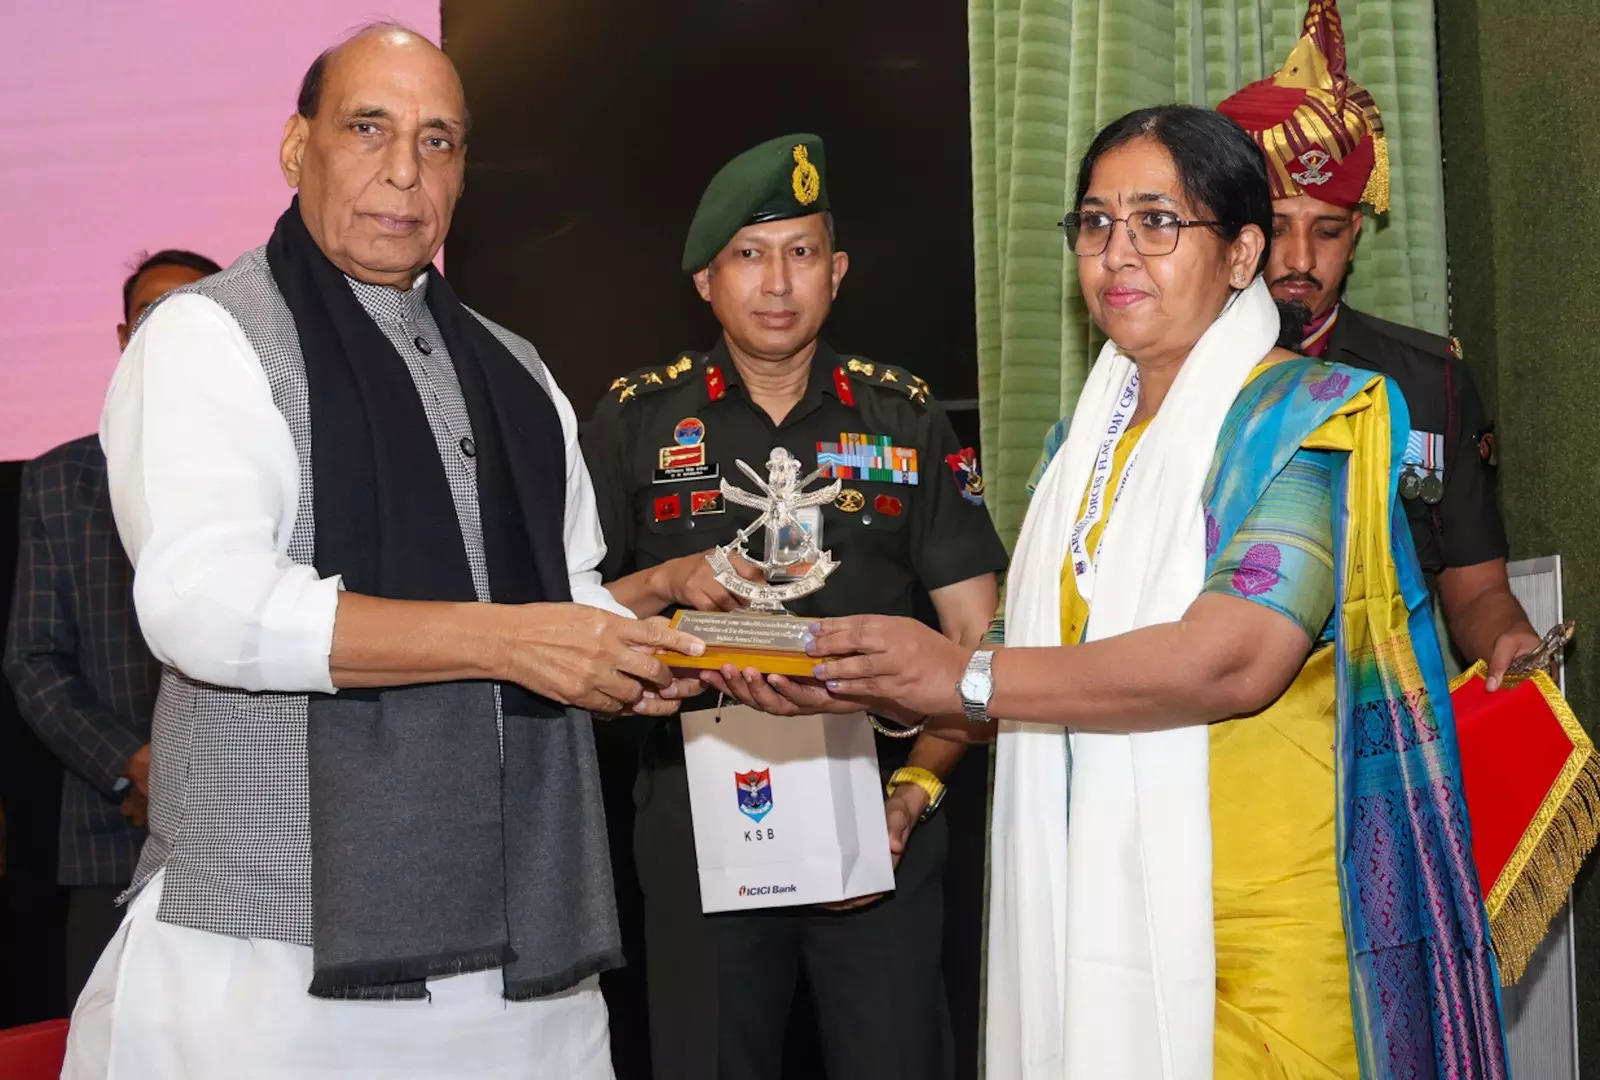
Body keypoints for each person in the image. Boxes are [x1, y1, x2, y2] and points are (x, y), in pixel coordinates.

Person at [760, 106, 1510, 1077]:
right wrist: (889, 719)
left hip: (1265, 940)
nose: (1117, 252)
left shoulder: (1307, 421)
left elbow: (1233, 658)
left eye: (1157, 221)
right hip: (1095, 912)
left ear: (1241, 253)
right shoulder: (1086, 448)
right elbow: (1038, 659)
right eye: (1094, 222)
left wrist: (962, 680)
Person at [63, 23, 704, 1080]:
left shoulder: (518, 369)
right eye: (369, 127)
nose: (403, 171)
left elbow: (572, 594)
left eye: (439, 141)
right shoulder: (206, 335)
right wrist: (510, 644)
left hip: (520, 952)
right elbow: (206, 605)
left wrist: (668, 659)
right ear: (294, 147)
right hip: (270, 954)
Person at [584, 134, 1008, 1079]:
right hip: (698, 809)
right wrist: (664, 582)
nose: (777, 281)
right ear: (705, 279)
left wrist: (918, 791)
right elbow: (567, 624)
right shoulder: (635, 419)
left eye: (802, 252)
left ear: (838, 271)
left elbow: (981, 642)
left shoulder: (905, 418)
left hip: (882, 805)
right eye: (748, 253)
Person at [1218, 0, 1538, 687]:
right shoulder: (1179, 380)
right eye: (1278, 227)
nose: (1300, 258)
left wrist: (1509, 638)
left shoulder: (1429, 382)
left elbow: (1476, 587)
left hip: (1389, 719)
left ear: (1357, 238)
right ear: (1236, 235)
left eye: (1328, 231)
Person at [4, 248, 219, 1007]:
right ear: (123, 338)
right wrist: (135, 764)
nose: (166, 333)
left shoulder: (277, 469)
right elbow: (34, 660)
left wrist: (201, 765)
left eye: (189, 314)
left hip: (252, 835)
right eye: (149, 317)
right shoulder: (59, 481)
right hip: (109, 831)